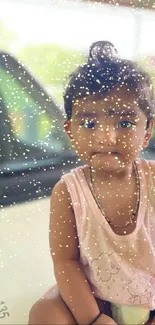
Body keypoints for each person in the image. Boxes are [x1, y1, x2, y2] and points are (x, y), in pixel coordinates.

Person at [28, 41, 155, 325]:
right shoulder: (68, 191)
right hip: (96, 296)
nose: (105, 137)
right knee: (44, 314)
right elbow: (66, 261)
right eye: (89, 123)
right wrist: (94, 319)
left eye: (124, 123)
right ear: (70, 131)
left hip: (151, 297)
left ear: (147, 132)